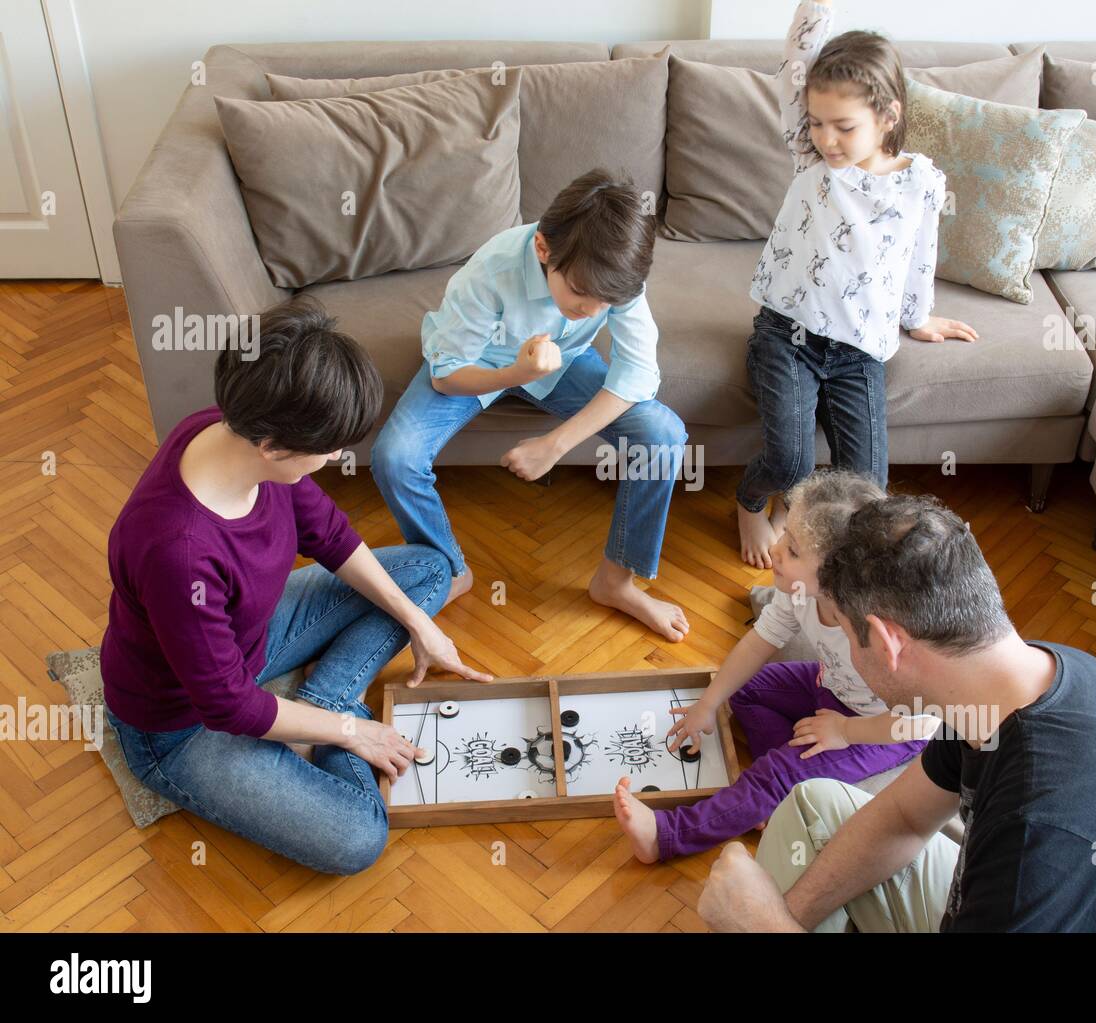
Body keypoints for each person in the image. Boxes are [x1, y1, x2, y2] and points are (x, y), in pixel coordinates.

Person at [698, 489, 1096, 932]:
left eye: (841, 627)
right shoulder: (1004, 684)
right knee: (812, 804)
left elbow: (1028, 859)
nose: (843, 654)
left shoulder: (1040, 834)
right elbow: (904, 817)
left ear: (886, 642)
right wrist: (783, 918)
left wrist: (763, 927)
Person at [101, 297, 489, 876]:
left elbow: (331, 535)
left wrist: (420, 625)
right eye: (327, 448)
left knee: (429, 571)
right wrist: (358, 733)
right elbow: (230, 705)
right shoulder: (178, 555)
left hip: (250, 636)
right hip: (183, 724)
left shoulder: (232, 428)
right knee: (357, 837)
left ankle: (325, 698)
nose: (335, 456)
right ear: (272, 446)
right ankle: (332, 711)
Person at [371, 169, 691, 642]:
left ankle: (615, 582)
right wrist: (517, 374)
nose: (593, 311)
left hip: (565, 364)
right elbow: (445, 373)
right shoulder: (490, 271)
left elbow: (638, 374)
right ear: (544, 250)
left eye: (607, 304)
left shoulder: (615, 275)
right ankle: (449, 570)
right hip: (478, 364)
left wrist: (554, 445)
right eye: (580, 295)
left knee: (663, 436)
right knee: (394, 457)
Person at [736, 0, 977, 569]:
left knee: (868, 489)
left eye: (844, 127)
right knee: (791, 463)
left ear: (888, 117)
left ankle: (828, 563)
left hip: (859, 351)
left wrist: (917, 318)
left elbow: (922, 255)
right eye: (818, 123)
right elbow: (797, 60)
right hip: (786, 336)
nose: (827, 139)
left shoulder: (920, 181)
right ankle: (750, 501)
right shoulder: (810, 159)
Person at [613, 471, 936, 861]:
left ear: (839, 577)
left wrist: (846, 731)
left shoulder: (878, 634)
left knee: (777, 774)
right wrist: (709, 704)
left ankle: (667, 837)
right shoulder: (797, 590)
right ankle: (777, 796)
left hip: (879, 729)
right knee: (745, 690)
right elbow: (756, 644)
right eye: (786, 534)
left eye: (794, 550)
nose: (777, 550)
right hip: (828, 687)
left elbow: (922, 721)